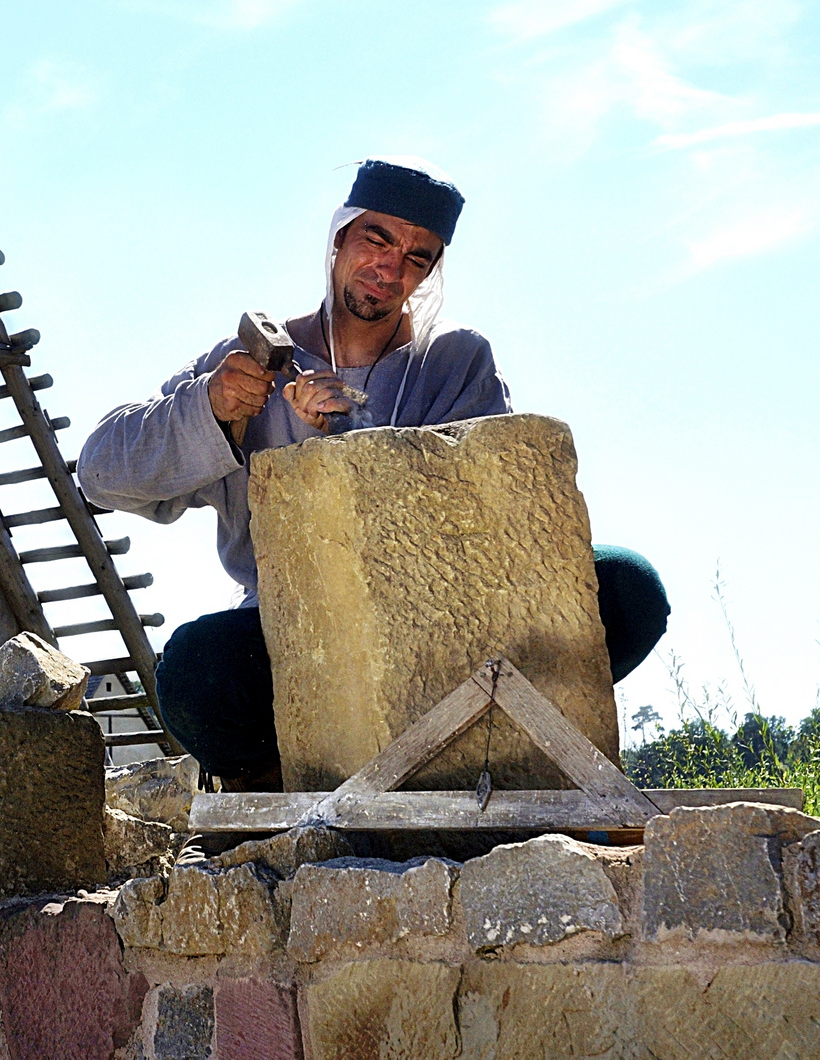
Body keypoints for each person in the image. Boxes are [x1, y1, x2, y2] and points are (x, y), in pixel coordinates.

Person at [79, 158, 670, 790]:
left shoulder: (454, 361)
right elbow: (101, 473)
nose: (390, 270)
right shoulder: (249, 366)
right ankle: (295, 791)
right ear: (339, 238)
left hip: (453, 631)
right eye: (377, 239)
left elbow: (487, 518)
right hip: (306, 643)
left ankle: (485, 753)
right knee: (196, 669)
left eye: (417, 258)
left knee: (628, 587)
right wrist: (215, 408)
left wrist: (338, 440)